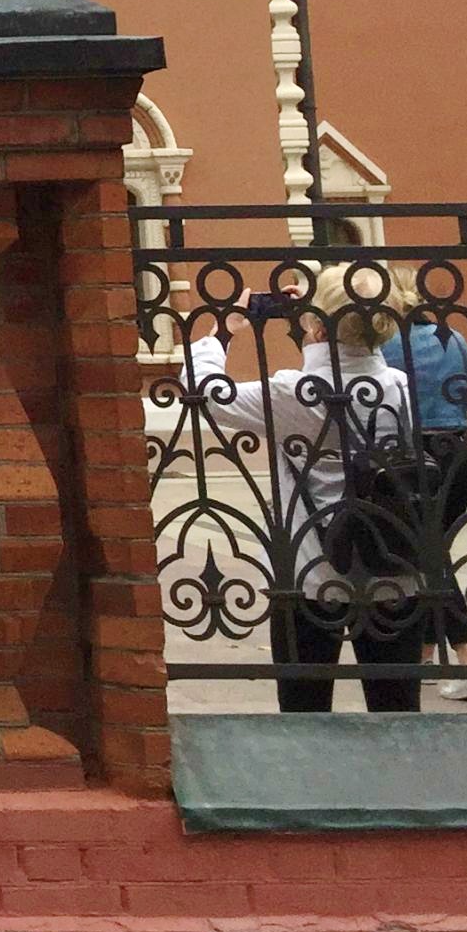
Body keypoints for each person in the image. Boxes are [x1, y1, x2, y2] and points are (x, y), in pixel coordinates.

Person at [179, 263, 427, 713]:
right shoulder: (399, 387)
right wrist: (316, 324)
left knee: (304, 710)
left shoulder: (294, 393)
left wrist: (225, 330)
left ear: (317, 328)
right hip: (393, 566)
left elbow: (204, 392)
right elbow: (349, 360)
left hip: (312, 573)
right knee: (398, 710)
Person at [382, 299, 467, 701]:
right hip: (456, 452)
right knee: (430, 551)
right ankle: (424, 654)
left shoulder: (385, 344)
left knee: (427, 555)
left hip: (414, 456)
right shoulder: (453, 337)